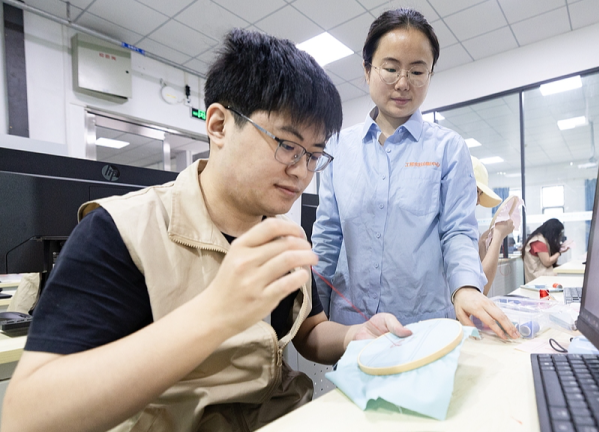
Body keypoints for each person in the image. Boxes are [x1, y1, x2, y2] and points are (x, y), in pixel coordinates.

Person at [2, 30, 411, 432]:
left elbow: (308, 329)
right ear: (217, 125)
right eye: (287, 144)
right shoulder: (119, 232)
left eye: (314, 156)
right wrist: (215, 311)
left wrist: (353, 335)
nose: (302, 172)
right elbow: (27, 415)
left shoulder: (283, 233)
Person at [311, 8, 518, 340]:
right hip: (352, 326)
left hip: (424, 327)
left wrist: (466, 287)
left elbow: (458, 233)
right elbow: (327, 237)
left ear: (430, 75)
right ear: (367, 70)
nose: (403, 83)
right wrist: (311, 314)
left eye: (417, 71)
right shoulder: (339, 148)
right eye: (390, 68)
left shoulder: (448, 149)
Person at [472, 157, 517, 295]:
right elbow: (480, 287)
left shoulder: (468, 227)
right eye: (475, 191)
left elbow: (478, 271)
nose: (478, 201)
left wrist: (481, 245)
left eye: (481, 193)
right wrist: (498, 235)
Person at [522, 218, 570, 282]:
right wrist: (559, 252)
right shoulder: (539, 242)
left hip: (539, 275)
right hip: (538, 277)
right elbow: (547, 262)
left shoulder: (539, 239)